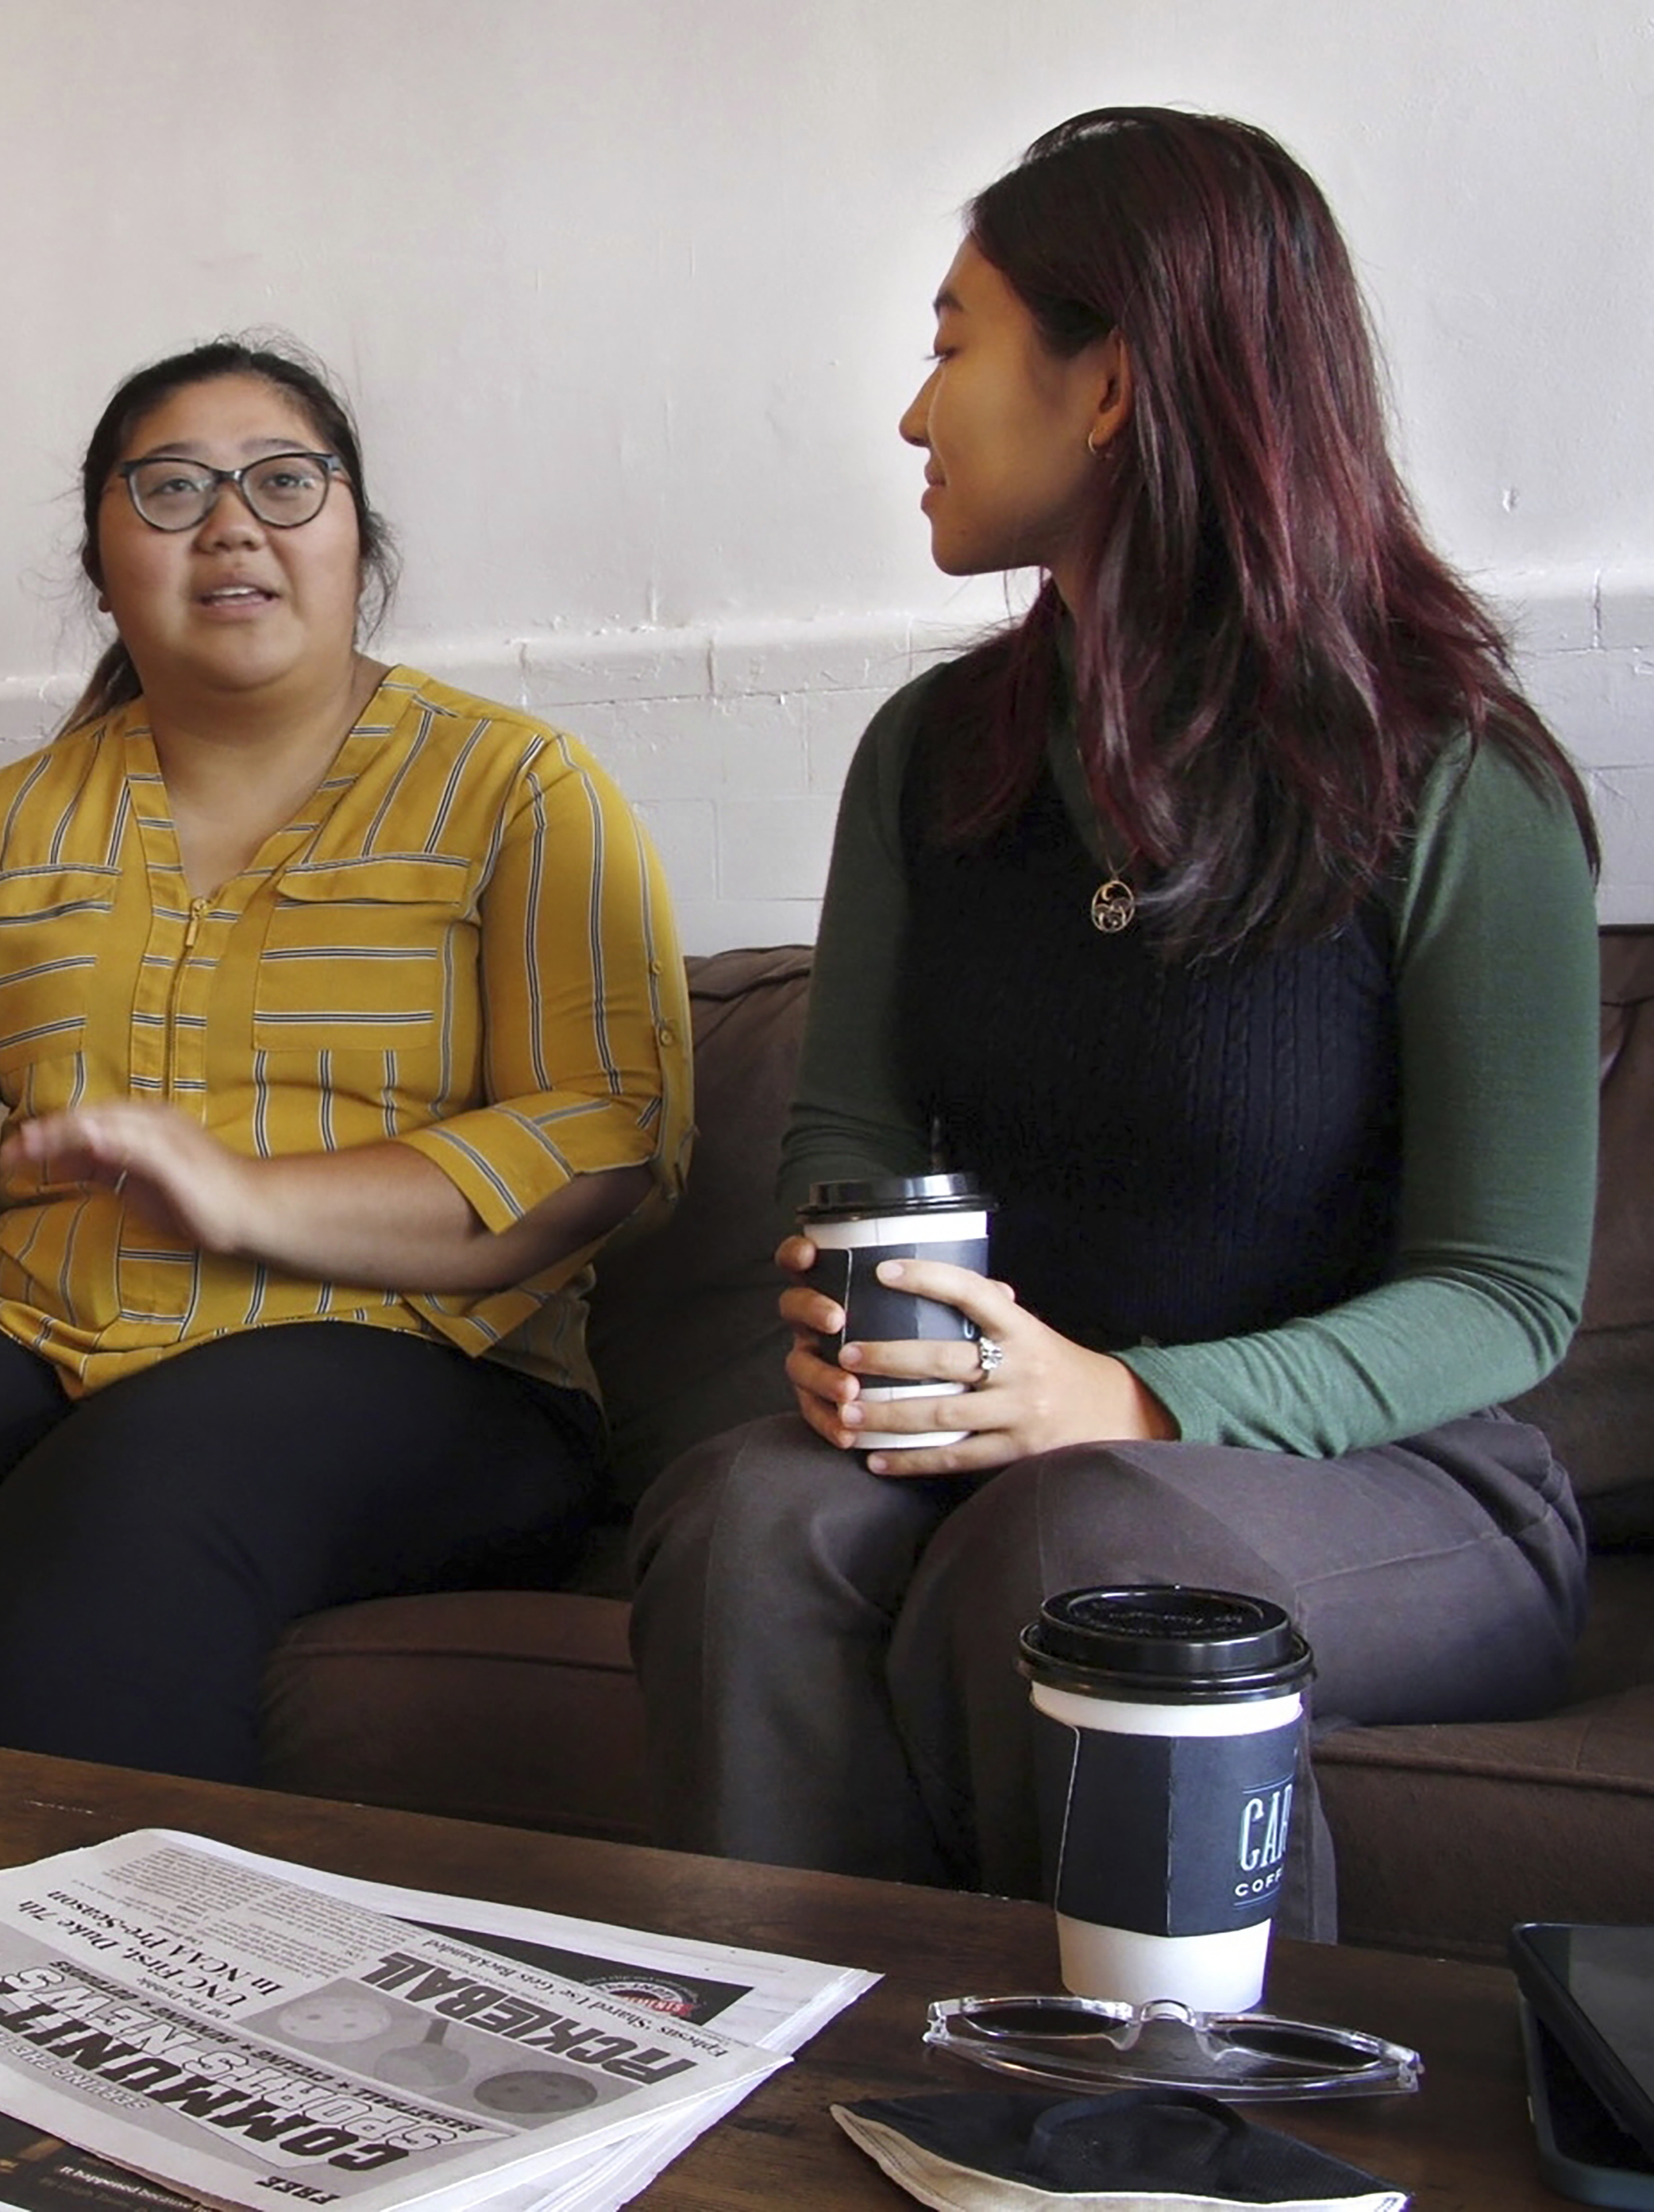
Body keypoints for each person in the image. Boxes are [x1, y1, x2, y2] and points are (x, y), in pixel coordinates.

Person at [627, 110, 1598, 1935]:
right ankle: (764, 2106)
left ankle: (1182, 2138)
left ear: (1109, 386)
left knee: (1083, 1543)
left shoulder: (1457, 779)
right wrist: (868, 1323)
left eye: (951, 343)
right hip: (1001, 1443)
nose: (915, 417)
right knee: (750, 1524)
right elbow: (848, 1127)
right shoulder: (931, 757)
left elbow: (1507, 1294)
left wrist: (1135, 1401)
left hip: (1392, 1484)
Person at [0, 337, 692, 1782]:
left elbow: (609, 1136)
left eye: (285, 482)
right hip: (42, 1337)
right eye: (170, 490)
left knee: (127, 1497)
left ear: (362, 540)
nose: (232, 522)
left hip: (421, 1362)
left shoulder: (519, 791)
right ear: (102, 563)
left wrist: (247, 1198)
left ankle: (42, 2010)